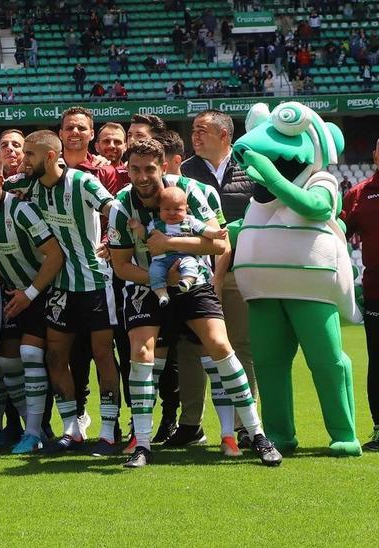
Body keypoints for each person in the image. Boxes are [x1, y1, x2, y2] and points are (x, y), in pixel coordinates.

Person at [108, 139, 281, 467]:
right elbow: (121, 266)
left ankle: (257, 434)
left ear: (163, 167)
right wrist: (164, 280)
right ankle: (142, 444)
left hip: (194, 281)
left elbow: (218, 245)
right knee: (142, 352)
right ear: (126, 169)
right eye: (135, 169)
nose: (142, 176)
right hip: (149, 285)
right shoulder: (121, 207)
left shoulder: (191, 192)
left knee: (219, 344)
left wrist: (170, 242)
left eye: (149, 169)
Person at [10, 130, 122, 456]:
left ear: (48, 156)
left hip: (96, 285)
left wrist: (113, 241)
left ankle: (110, 431)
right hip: (60, 288)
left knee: (103, 356)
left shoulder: (82, 183)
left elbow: (115, 208)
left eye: (29, 154)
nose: (23, 160)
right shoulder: (28, 184)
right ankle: (72, 430)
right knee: (56, 358)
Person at [0, 154, 65, 454]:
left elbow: (55, 255)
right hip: (10, 296)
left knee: (31, 353)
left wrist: (31, 293)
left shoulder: (22, 210)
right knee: (8, 362)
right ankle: (34, 429)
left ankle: (34, 432)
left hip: (39, 293)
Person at [178, 109, 256, 446]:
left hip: (241, 272)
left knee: (241, 347)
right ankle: (191, 423)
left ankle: (244, 425)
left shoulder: (252, 169)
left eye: (202, 130)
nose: (195, 136)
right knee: (190, 348)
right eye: (193, 130)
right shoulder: (183, 173)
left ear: (224, 135)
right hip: (195, 275)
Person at [340, 137, 379, 451]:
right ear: (375, 153)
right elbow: (337, 233)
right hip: (376, 291)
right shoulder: (358, 193)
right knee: (377, 361)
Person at [129, 186, 226, 306]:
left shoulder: (190, 221)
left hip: (184, 256)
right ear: (159, 209)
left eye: (177, 209)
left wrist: (216, 233)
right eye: (167, 209)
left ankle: (187, 281)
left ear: (186, 209)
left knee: (191, 264)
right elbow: (146, 236)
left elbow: (204, 230)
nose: (172, 213)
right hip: (161, 259)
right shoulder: (155, 224)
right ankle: (162, 294)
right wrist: (137, 227)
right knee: (154, 271)